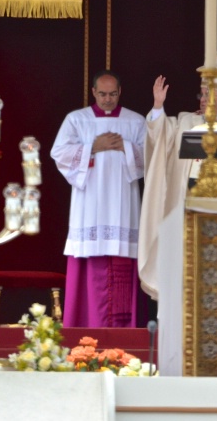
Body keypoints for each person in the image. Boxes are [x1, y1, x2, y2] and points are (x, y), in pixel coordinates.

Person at [138, 55, 217, 375]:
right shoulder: (185, 121)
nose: (204, 99)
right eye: (201, 94)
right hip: (184, 216)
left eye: (210, 94)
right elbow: (157, 136)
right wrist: (157, 106)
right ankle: (175, 353)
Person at [51, 70, 146, 328]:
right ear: (93, 92)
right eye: (102, 94)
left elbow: (152, 158)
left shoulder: (135, 121)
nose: (107, 99)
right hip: (89, 205)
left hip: (122, 204)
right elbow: (58, 153)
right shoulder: (76, 120)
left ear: (120, 92)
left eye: (112, 94)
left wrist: (125, 147)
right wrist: (94, 146)